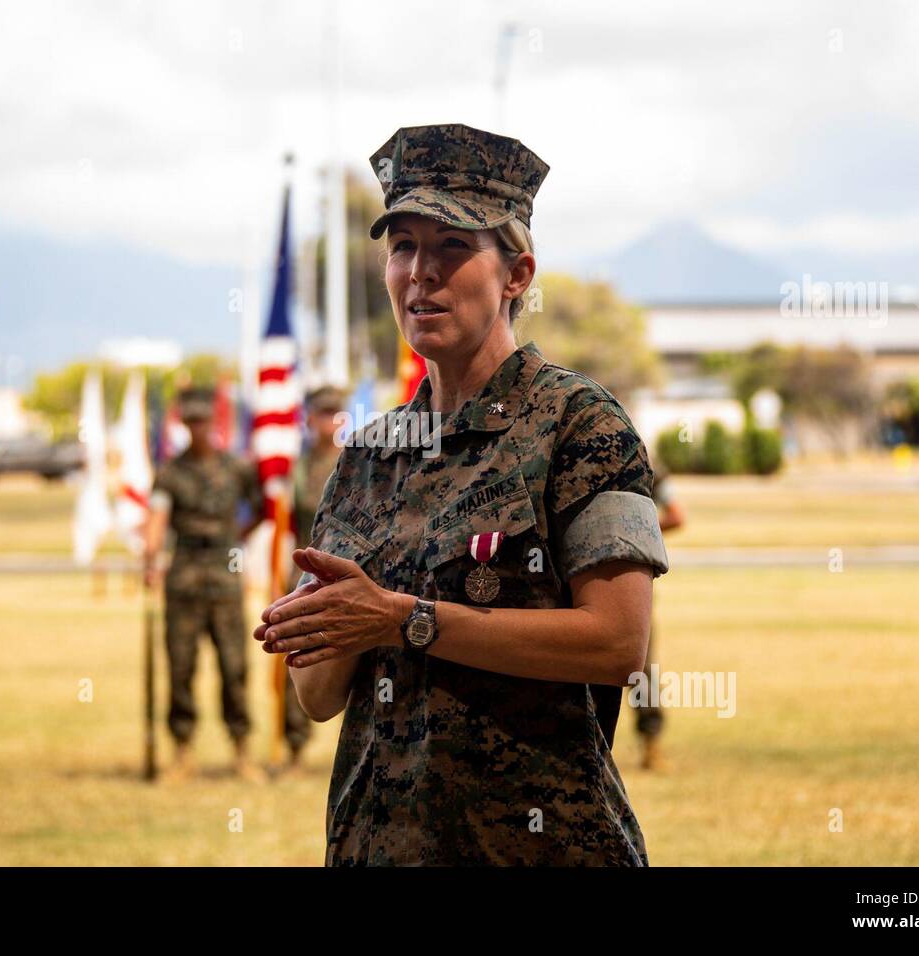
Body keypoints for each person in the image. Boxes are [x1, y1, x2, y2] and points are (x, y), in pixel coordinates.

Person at [254, 124, 669, 865]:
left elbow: (618, 643)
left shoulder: (580, 424)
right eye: (403, 246)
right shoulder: (366, 455)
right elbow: (315, 698)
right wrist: (323, 627)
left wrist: (402, 619)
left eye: (452, 247)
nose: (420, 273)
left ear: (517, 275)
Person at [144, 387, 265, 783]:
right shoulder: (170, 472)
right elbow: (158, 519)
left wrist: (236, 539)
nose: (198, 428)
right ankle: (182, 752)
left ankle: (242, 751)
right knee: (181, 666)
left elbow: (261, 508)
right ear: (184, 424)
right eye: (191, 421)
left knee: (234, 666)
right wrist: (150, 555)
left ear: (214, 423)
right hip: (184, 575)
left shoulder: (236, 468)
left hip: (225, 573)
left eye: (203, 420)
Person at [275, 385, 348, 774]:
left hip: (348, 573)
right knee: (299, 659)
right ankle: (295, 748)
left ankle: (351, 748)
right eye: (323, 413)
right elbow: (285, 525)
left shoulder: (358, 461)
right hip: (304, 574)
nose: (330, 421)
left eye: (337, 412)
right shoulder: (298, 468)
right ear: (310, 419)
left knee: (353, 660)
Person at [622, 463, 686, 771]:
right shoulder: (645, 464)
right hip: (634, 577)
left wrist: (623, 533)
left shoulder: (648, 468)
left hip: (627, 579)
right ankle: (651, 745)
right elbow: (675, 516)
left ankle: (651, 743)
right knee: (641, 666)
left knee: (640, 665)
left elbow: (676, 517)